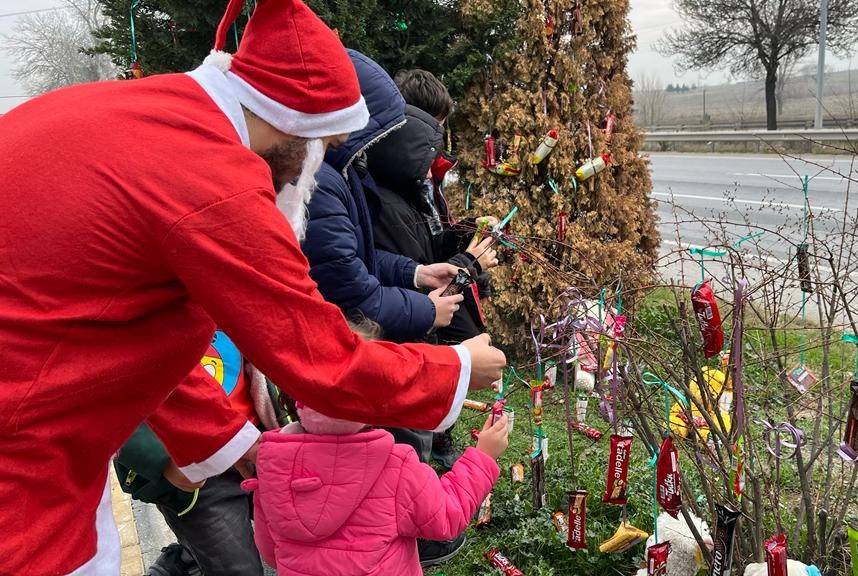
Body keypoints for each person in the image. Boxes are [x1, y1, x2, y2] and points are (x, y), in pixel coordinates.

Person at [0, 0, 506, 574]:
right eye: (330, 146)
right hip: (25, 487)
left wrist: (236, 446)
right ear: (302, 128)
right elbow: (316, 360)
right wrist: (457, 367)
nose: (314, 171)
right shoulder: (213, 178)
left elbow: (129, 332)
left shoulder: (142, 115)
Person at [243, 319, 509, 576]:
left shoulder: (272, 468)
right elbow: (447, 516)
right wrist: (483, 457)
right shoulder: (395, 466)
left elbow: (269, 552)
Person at [302, 51, 463, 342]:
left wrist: (418, 273)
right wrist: (427, 310)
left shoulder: (345, 173)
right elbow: (350, 294)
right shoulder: (321, 183)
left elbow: (360, 257)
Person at [389, 70, 497, 472]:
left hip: (439, 286)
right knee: (438, 369)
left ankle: (440, 437)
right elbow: (407, 260)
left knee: (451, 360)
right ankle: (431, 448)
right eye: (435, 125)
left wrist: (463, 232)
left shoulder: (425, 176)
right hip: (422, 308)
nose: (439, 136)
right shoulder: (395, 185)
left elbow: (428, 238)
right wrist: (468, 263)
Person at [115, 331, 277, 576]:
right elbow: (92, 388)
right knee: (236, 567)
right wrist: (162, 460)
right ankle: (192, 554)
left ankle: (189, 555)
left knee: (296, 539)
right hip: (192, 467)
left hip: (258, 441)